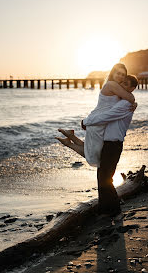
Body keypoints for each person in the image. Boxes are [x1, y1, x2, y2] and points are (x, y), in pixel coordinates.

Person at [56, 75, 138, 216]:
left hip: (114, 145)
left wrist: (86, 122)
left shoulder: (125, 104)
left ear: (132, 88)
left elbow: (108, 115)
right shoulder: (122, 101)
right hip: (109, 143)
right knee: (102, 176)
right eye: (121, 83)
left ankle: (112, 210)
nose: (122, 86)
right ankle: (107, 209)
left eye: (125, 84)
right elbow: (105, 112)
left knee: (105, 178)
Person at [56, 63, 136, 165]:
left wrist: (134, 104)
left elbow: (126, 98)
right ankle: (70, 142)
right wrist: (134, 103)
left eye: (123, 75)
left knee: (93, 152)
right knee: (95, 156)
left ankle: (70, 138)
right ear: (113, 73)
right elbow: (130, 98)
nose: (120, 76)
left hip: (99, 121)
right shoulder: (112, 84)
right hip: (98, 122)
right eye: (118, 73)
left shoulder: (115, 86)